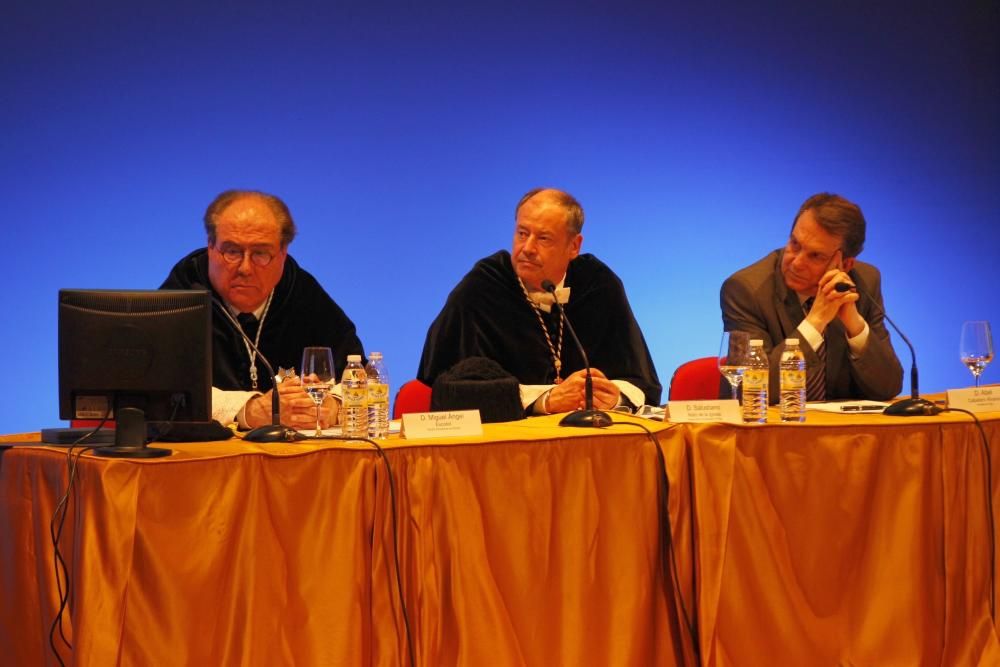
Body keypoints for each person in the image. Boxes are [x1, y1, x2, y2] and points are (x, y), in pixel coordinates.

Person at [418, 188, 661, 413]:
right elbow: (450, 393)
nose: (527, 248)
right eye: (522, 234)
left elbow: (640, 381)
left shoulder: (598, 284)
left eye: (543, 238)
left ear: (574, 246)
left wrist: (613, 398)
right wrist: (546, 399)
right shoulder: (481, 289)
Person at [161, 189, 365, 429]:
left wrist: (333, 405)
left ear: (282, 253)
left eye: (260, 253)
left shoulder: (300, 292)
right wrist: (248, 410)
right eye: (232, 251)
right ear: (210, 247)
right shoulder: (179, 298)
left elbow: (358, 374)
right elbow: (158, 395)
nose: (245, 268)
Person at [720, 192, 903, 402]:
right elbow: (748, 390)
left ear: (846, 265)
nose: (796, 262)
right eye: (795, 244)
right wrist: (815, 322)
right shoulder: (746, 290)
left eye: (815, 255)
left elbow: (888, 387)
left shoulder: (865, 282)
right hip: (770, 432)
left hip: (844, 431)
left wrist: (855, 325)